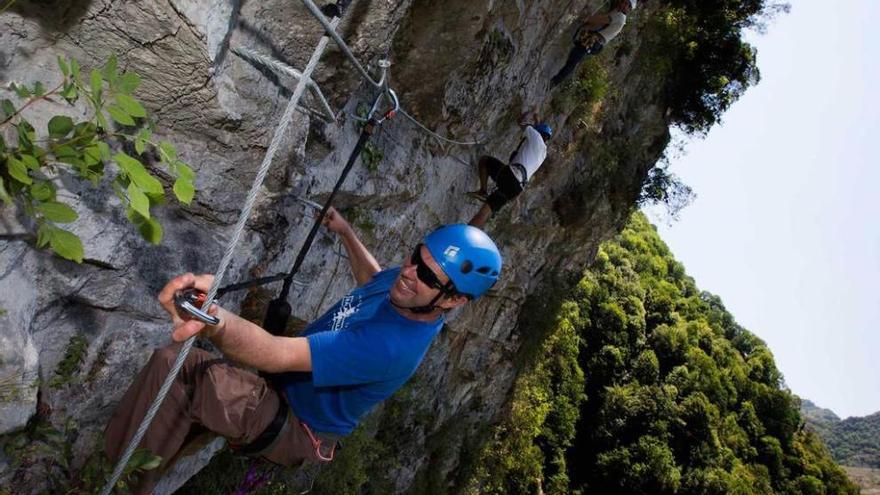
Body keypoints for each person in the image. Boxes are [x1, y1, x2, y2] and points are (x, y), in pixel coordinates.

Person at [104, 208, 502, 494]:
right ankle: (143, 468)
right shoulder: (405, 286)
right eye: (417, 255)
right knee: (182, 409)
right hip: (285, 390)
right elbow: (373, 280)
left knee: (178, 368)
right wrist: (346, 232)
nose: (411, 272)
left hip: (296, 424)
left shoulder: (390, 348)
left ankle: (114, 480)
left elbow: (275, 353)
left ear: (453, 301)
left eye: (430, 275)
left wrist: (212, 318)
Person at [467, 118, 552, 228]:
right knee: (484, 214)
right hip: (517, 188)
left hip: (510, 176)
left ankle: (483, 191)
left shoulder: (535, 136)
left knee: (484, 160)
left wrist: (529, 116)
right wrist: (536, 119)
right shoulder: (543, 153)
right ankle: (464, 238)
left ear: (538, 132)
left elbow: (521, 122)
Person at [549, 0, 637, 87]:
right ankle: (556, 81)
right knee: (574, 56)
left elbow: (602, 20)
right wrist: (588, 23)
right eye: (623, 2)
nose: (623, 4)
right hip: (595, 40)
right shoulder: (617, 12)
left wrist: (587, 18)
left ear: (629, 9)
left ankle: (555, 82)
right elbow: (602, 20)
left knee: (573, 60)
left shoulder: (620, 16)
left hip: (595, 41)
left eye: (626, 4)